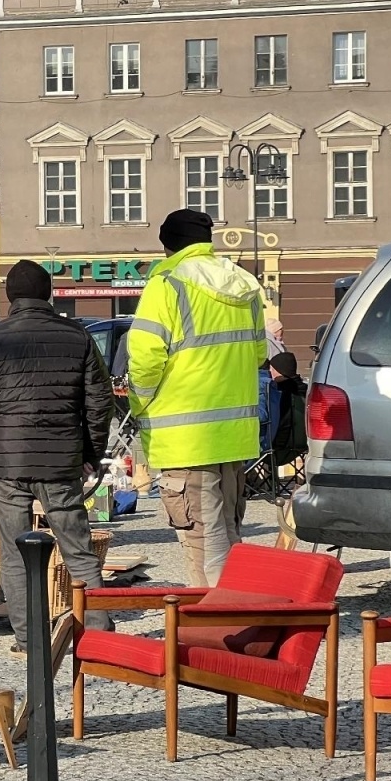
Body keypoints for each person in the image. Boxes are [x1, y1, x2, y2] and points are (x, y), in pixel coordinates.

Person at [0, 261, 114, 655]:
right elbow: (100, 402)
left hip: (7, 461)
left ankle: (29, 640)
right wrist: (91, 452)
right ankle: (97, 633)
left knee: (13, 551)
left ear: (10, 297)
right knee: (77, 548)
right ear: (49, 294)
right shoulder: (77, 337)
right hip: (61, 460)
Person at [128, 209, 267, 586]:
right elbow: (258, 355)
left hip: (185, 440)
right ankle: (239, 622)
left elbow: (144, 358)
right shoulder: (245, 284)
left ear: (166, 245)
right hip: (235, 438)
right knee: (230, 538)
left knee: (204, 546)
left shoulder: (167, 285)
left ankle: (213, 635)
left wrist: (140, 405)